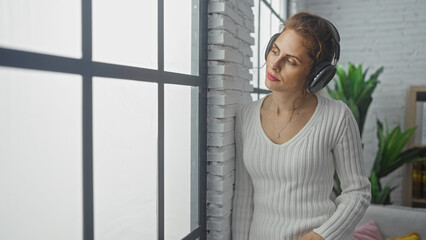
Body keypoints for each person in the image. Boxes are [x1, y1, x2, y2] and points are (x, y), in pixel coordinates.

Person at [232, 11, 371, 240]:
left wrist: (322, 235)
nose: (274, 64)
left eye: (291, 61)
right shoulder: (246, 116)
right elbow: (244, 197)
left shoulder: (337, 117)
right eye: (275, 51)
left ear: (316, 75)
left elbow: (358, 192)